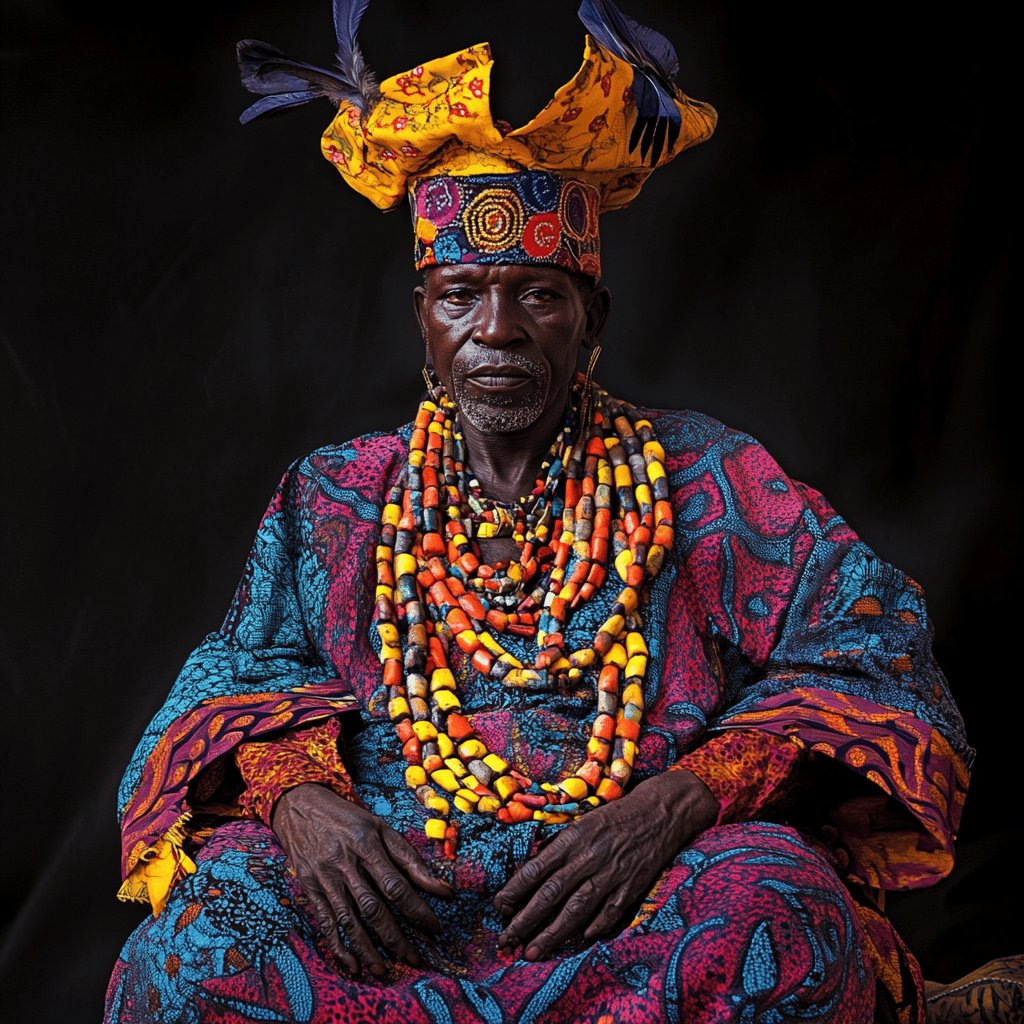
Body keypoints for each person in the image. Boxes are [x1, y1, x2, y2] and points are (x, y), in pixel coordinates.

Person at [103, 3, 972, 1022]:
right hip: (387, 902)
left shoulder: (702, 476)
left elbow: (870, 655)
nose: (497, 329)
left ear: (590, 317)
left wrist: (680, 800)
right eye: (462, 292)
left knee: (781, 914)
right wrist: (300, 801)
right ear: (421, 320)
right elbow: (231, 687)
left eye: (539, 294)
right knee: (192, 951)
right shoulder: (336, 493)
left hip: (633, 898)